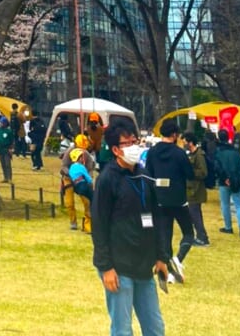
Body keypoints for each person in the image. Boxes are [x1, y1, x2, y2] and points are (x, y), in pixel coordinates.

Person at [91, 122, 169, 336]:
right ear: (115, 150)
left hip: (144, 265)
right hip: (119, 266)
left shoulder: (144, 176)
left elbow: (157, 217)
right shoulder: (107, 179)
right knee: (122, 329)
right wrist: (106, 267)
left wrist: (162, 256)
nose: (133, 147)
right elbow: (99, 226)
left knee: (155, 327)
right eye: (127, 143)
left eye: (135, 141)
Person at [144, 119, 195, 283]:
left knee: (165, 235)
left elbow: (148, 173)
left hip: (159, 199)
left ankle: (168, 271)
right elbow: (190, 174)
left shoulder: (152, 152)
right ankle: (178, 260)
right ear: (175, 135)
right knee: (188, 233)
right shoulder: (179, 153)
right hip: (178, 199)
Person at [214, 128, 240, 237]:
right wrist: (237, 178)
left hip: (224, 183)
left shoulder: (218, 153)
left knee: (225, 205)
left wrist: (225, 179)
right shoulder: (236, 152)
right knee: (239, 205)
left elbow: (217, 168)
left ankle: (228, 227)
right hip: (236, 181)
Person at [61, 134, 96, 231]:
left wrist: (88, 180)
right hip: (68, 178)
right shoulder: (69, 152)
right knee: (69, 202)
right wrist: (72, 175)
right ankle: (73, 222)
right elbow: (64, 166)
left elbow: (90, 169)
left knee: (87, 202)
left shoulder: (87, 155)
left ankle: (88, 223)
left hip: (82, 180)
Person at [183, 132, 210, 246]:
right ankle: (200, 236)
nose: (184, 144)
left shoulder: (199, 155)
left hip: (196, 189)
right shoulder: (192, 154)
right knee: (194, 213)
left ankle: (202, 237)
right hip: (191, 188)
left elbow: (203, 172)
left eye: (185, 142)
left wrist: (190, 172)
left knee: (195, 214)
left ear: (190, 142)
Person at [0, 115, 14, 183]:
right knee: (2, 164)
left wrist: (11, 148)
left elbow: (12, 140)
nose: (1, 124)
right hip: (0, 149)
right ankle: (5, 177)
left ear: (5, 123)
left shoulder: (9, 131)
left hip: (7, 149)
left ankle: (9, 178)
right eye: (0, 122)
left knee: (7, 164)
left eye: (2, 122)